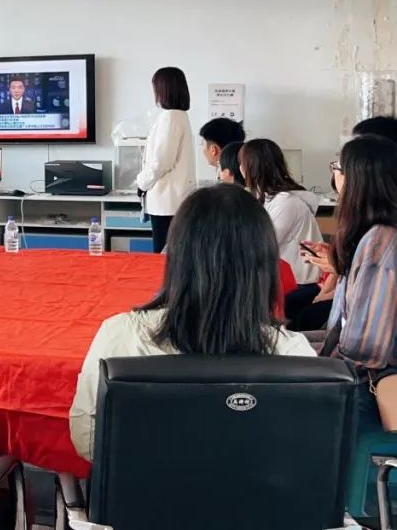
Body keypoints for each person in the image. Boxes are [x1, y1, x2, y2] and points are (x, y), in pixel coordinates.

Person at [69, 184, 315, 461]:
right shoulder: (295, 354)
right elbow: (309, 450)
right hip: (259, 488)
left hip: (147, 486)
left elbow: (86, 437)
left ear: (176, 256)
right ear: (265, 264)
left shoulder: (120, 335)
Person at [306, 135, 397, 434]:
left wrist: (308, 360)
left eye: (337, 166)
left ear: (355, 178)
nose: (334, 174)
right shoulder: (373, 237)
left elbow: (366, 349)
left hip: (365, 389)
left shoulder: (380, 242)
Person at [239, 138, 322, 284]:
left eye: (241, 162)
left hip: (301, 283)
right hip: (286, 280)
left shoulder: (285, 203)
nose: (240, 167)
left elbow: (261, 247)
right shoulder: (268, 199)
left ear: (251, 167)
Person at [135, 67, 196, 254]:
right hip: (172, 199)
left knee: (162, 255)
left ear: (163, 89)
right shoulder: (179, 116)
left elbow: (162, 161)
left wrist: (142, 183)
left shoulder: (171, 117)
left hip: (167, 201)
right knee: (171, 253)